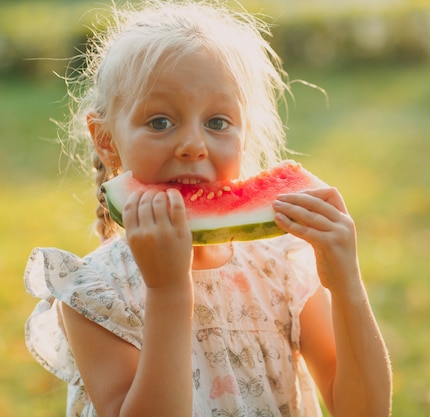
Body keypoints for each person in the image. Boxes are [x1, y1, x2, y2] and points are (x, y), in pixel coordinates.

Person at [24, 1, 392, 416]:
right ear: (107, 140)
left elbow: (364, 410)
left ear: (244, 135)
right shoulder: (94, 291)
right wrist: (167, 292)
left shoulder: (283, 269)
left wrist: (347, 286)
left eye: (217, 122)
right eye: (160, 121)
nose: (194, 145)